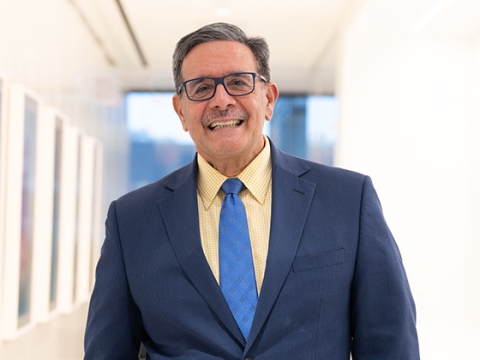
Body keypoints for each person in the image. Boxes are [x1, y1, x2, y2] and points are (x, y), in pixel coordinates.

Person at [84, 22, 420, 359]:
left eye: (238, 83)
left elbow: (389, 341)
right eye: (201, 88)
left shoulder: (347, 199)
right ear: (181, 110)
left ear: (269, 98)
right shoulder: (132, 220)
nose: (221, 100)